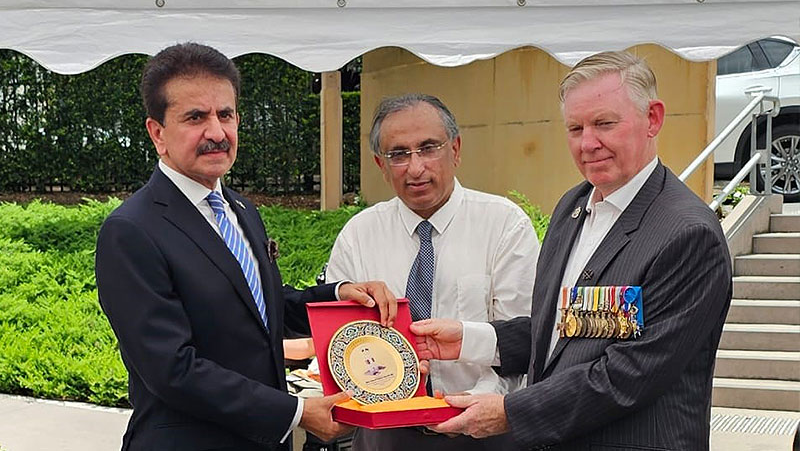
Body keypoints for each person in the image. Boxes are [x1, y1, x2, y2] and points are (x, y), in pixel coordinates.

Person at [411, 51, 732, 450]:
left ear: (653, 119)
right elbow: (569, 331)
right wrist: (470, 341)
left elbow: (629, 373)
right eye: (575, 128)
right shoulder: (572, 207)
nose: (588, 143)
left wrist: (510, 413)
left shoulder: (687, 233)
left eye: (604, 124)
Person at [94, 42, 396, 451]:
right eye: (195, 117)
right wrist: (295, 413)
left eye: (226, 115)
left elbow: (260, 310)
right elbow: (172, 369)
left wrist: (341, 295)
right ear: (157, 133)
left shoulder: (240, 209)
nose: (216, 133)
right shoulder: (131, 230)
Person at [325, 93, 540, 450]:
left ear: (455, 149)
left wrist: (472, 405)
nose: (415, 167)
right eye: (399, 154)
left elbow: (523, 338)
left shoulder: (504, 225)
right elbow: (339, 341)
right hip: (383, 436)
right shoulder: (358, 235)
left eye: (428, 148)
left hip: (484, 430)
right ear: (381, 164)